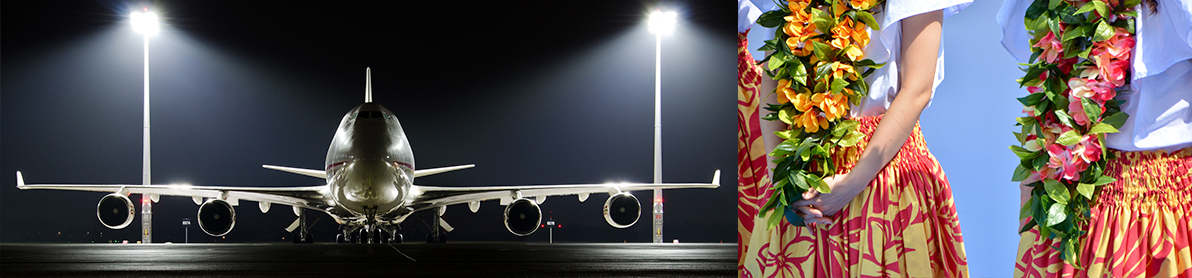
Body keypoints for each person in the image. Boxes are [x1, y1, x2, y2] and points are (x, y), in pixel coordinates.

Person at [738, 0, 972, 276]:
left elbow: (917, 89)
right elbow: (773, 75)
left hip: (884, 172)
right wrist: (781, 178)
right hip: (802, 176)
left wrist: (853, 183)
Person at [998, 0, 1192, 277]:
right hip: (1074, 202)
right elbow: (1050, 102)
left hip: (1170, 206)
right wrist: (1032, 218)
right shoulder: (1056, 5)